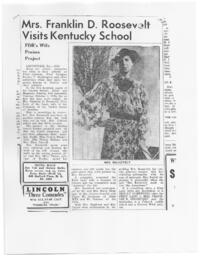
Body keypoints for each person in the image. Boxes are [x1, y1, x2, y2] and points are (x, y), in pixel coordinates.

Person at [77, 48, 150, 160]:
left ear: (132, 63)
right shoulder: (107, 84)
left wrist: (141, 135)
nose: (123, 63)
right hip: (114, 135)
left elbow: (144, 114)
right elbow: (86, 104)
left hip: (133, 135)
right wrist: (99, 121)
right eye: (120, 60)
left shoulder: (139, 87)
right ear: (117, 63)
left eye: (126, 60)